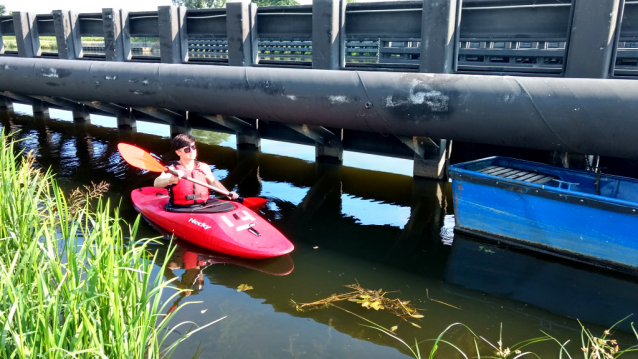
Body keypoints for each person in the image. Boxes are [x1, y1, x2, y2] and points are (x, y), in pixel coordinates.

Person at [154, 133, 238, 207]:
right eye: (187, 149)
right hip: (180, 207)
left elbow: (213, 182)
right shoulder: (172, 169)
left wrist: (228, 193)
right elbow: (157, 183)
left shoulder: (203, 167)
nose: (192, 151)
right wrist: (170, 178)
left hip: (204, 204)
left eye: (193, 147)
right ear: (178, 152)